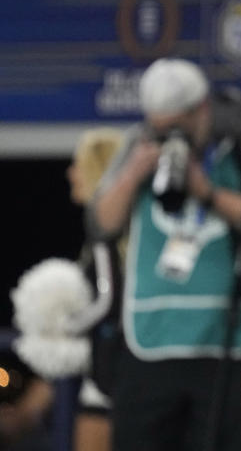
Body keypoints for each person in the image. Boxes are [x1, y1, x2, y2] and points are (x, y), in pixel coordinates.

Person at [90, 58, 241, 451]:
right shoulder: (139, 144)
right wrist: (133, 174)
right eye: (159, 125)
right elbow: (100, 224)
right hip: (150, 343)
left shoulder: (240, 151)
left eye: (178, 126)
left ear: (202, 109)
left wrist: (209, 193)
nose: (169, 136)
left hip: (226, 344)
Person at [66, 127, 125, 451]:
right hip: (116, 373)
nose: (70, 173)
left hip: (109, 377)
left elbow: (108, 300)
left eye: (77, 164)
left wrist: (61, 327)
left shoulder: (105, 234)